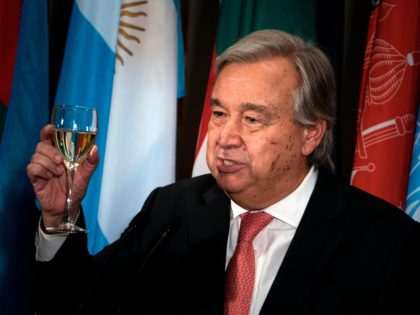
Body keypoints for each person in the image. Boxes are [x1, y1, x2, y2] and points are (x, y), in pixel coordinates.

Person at [28, 29, 420, 315]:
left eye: (252, 118)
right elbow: (80, 303)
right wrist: (59, 214)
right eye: (219, 114)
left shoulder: (386, 244)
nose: (225, 137)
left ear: (310, 134)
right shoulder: (173, 210)